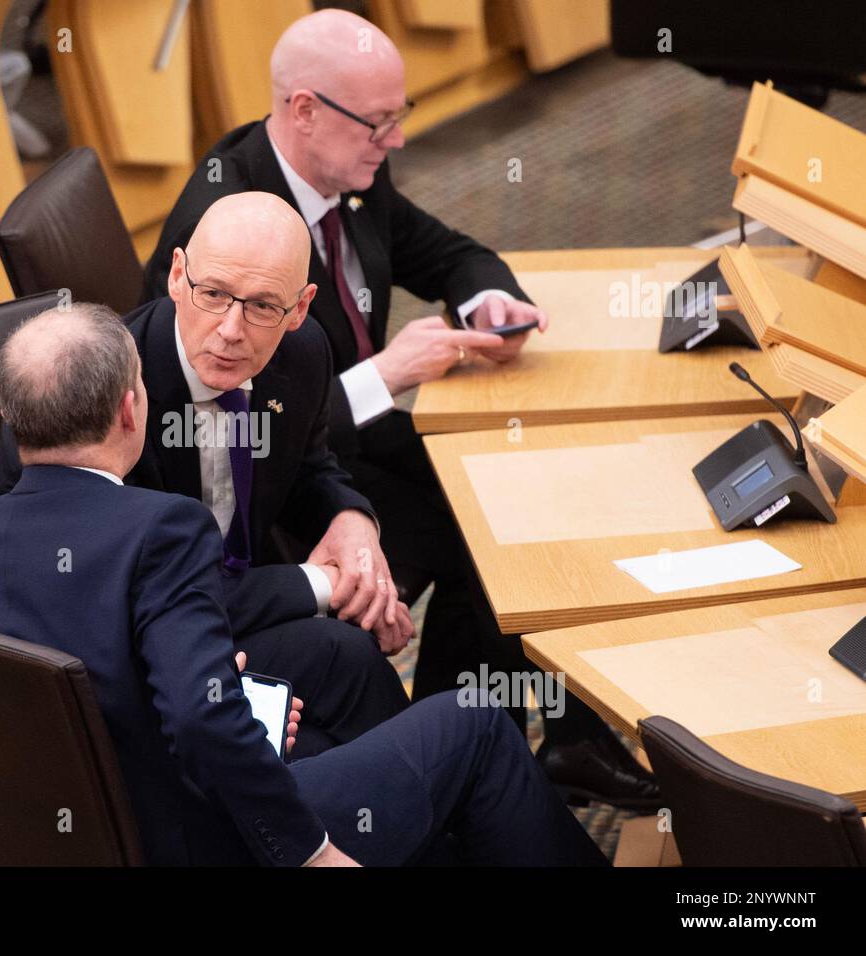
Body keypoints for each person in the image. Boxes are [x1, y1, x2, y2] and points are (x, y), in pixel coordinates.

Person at [140, 9, 658, 809]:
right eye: (379, 121)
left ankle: (532, 743)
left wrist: (489, 302)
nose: (398, 140)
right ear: (304, 110)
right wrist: (387, 373)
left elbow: (449, 253)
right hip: (254, 499)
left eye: (399, 117)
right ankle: (466, 755)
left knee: (507, 510)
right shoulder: (228, 238)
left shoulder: (348, 170)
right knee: (488, 540)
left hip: (336, 453)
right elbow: (232, 432)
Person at [0, 302, 608, 866]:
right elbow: (199, 723)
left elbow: (49, 684)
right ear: (130, 409)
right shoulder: (166, 529)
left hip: (70, 833)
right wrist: (308, 849)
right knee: (478, 725)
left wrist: (209, 684)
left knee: (336, 659)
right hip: (199, 839)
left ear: (8, 413)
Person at [0, 192, 414, 757]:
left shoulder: (301, 352)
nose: (232, 329)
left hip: (218, 609)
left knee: (356, 670)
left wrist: (351, 521)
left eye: (262, 306)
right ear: (178, 276)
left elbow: (308, 467)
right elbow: (144, 598)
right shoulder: (108, 400)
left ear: (301, 308)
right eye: (212, 295)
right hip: (113, 652)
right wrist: (330, 586)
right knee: (343, 682)